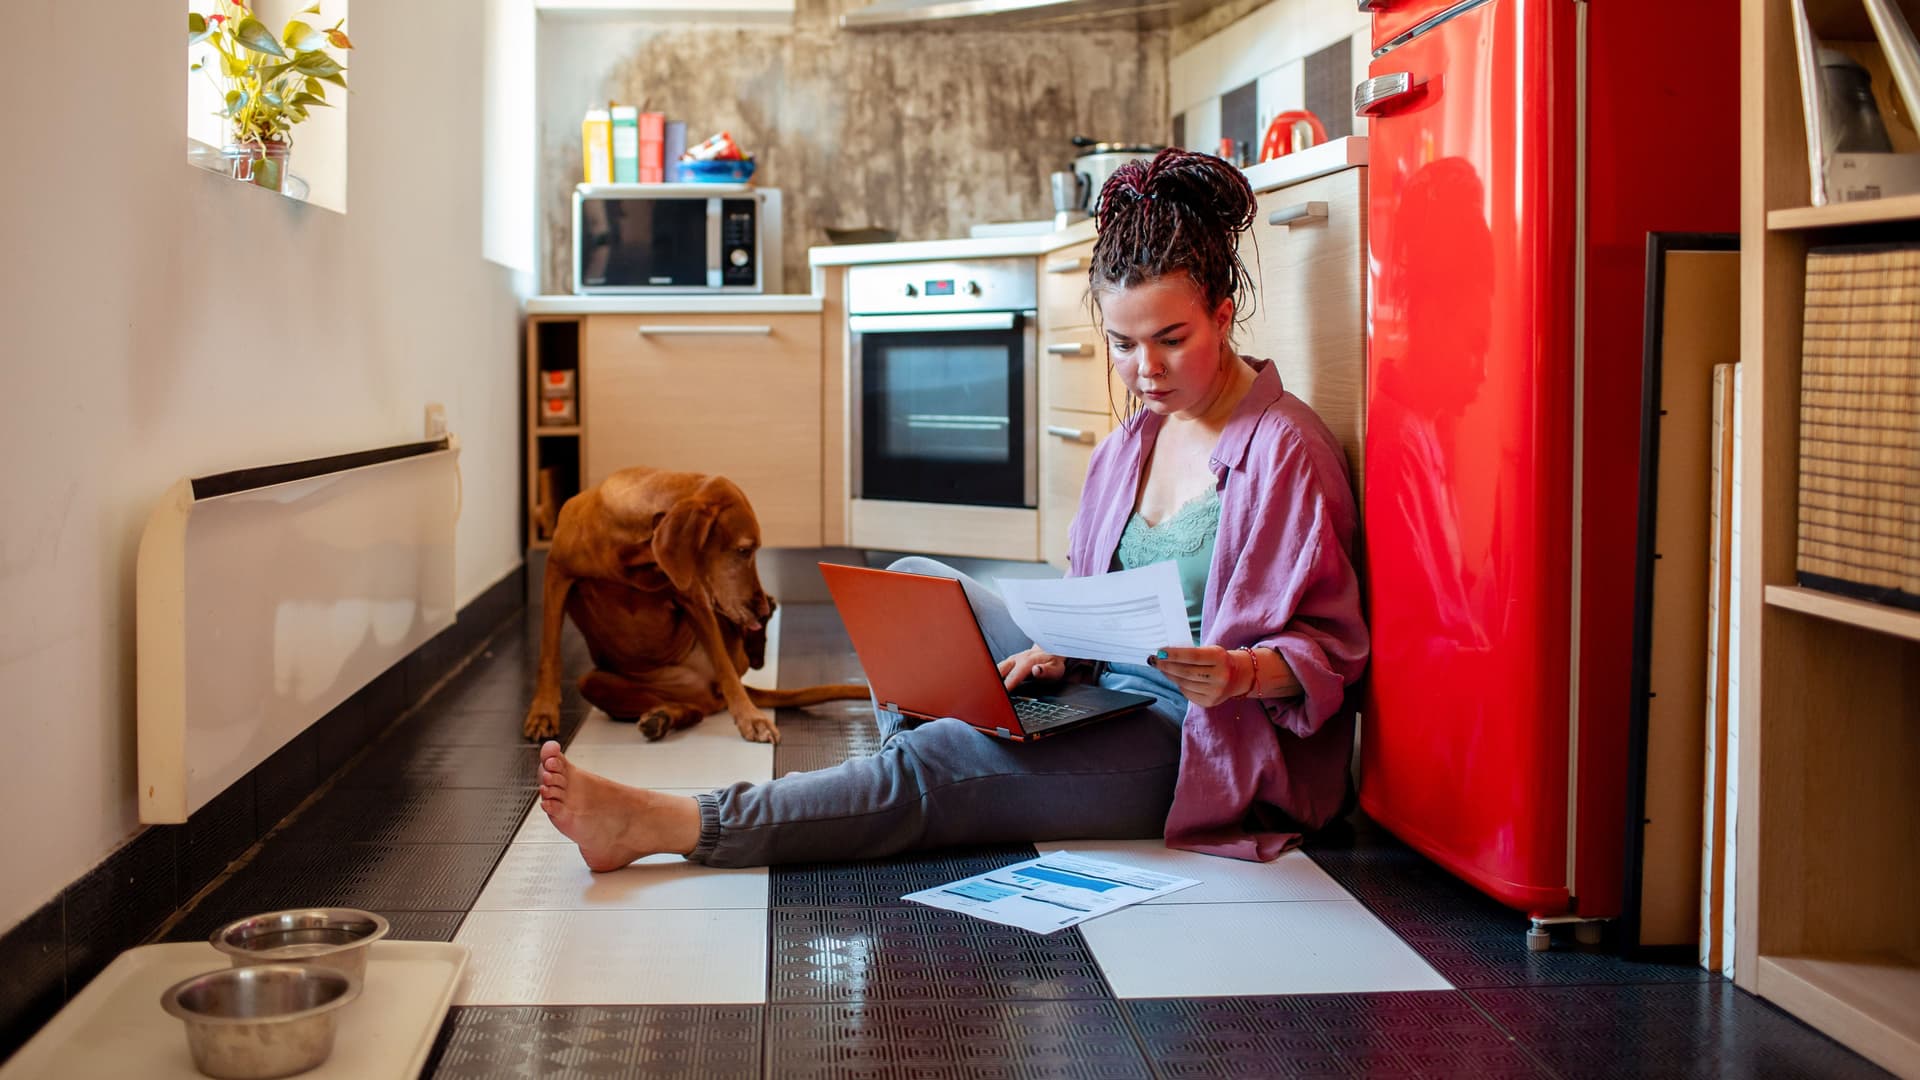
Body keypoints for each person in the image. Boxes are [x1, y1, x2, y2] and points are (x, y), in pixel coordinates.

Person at [536, 148, 1369, 869]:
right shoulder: (1133, 440)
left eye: (1171, 339)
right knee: (914, 585)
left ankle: (674, 822)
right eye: (1122, 344)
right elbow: (1089, 596)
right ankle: (955, 777)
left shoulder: (1284, 450)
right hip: (1096, 681)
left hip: (1190, 731)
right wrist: (1052, 647)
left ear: (1223, 316)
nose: (1143, 370)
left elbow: (1333, 649)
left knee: (938, 761)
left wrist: (1242, 672)